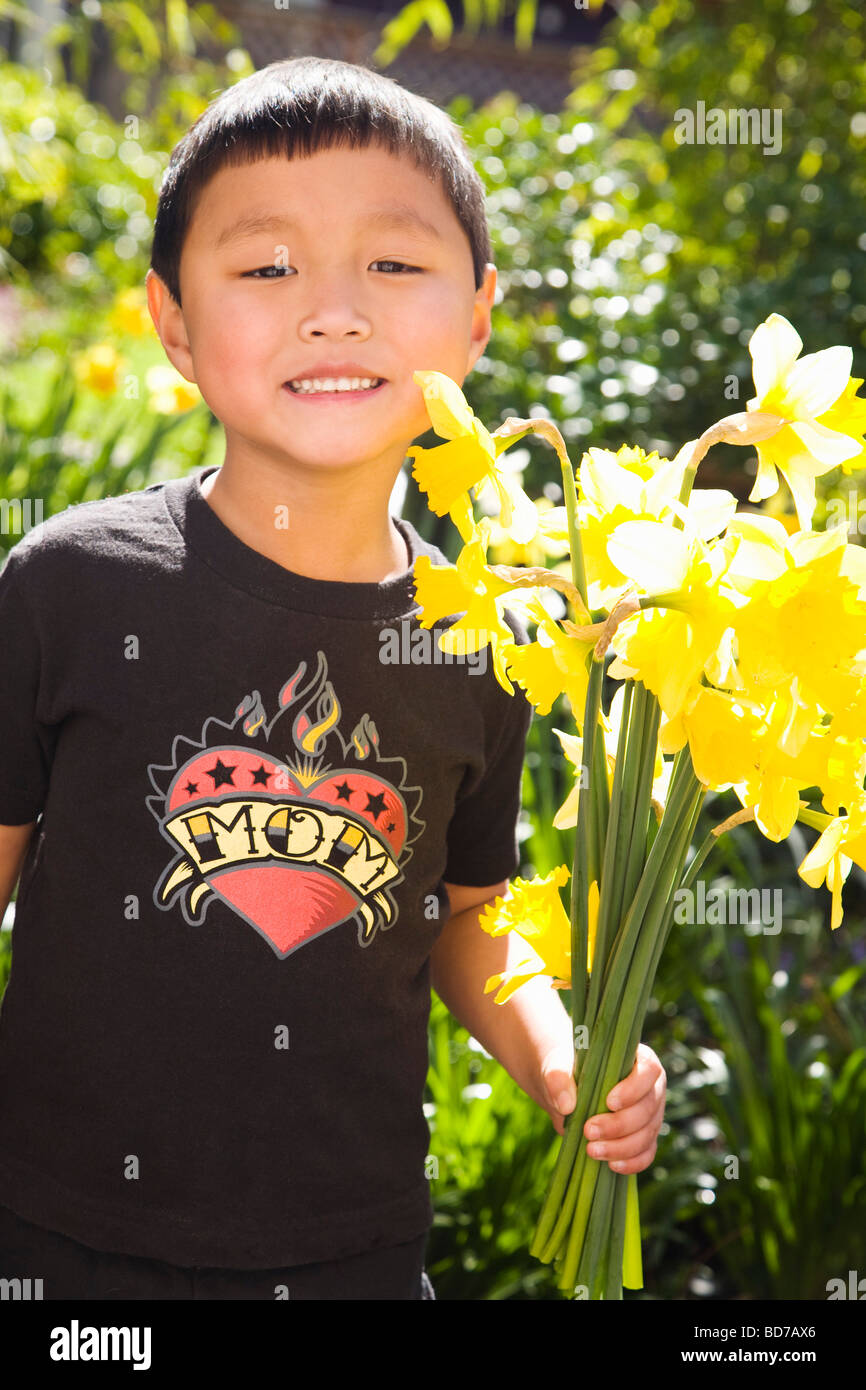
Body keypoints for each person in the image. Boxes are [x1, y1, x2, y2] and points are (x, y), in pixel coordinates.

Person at [0, 56, 667, 1301]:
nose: (334, 311)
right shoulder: (70, 585)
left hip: (355, 1250)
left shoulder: (489, 632)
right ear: (172, 322)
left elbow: (468, 912)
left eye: (393, 264)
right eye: (265, 269)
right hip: (59, 1244)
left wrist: (560, 1057)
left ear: (476, 316)